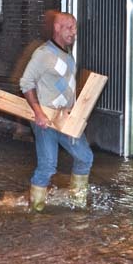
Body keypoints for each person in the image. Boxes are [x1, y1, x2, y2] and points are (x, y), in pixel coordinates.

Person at [20, 12, 93, 212]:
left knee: (85, 157)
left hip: (66, 119)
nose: (74, 32)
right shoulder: (43, 54)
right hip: (45, 119)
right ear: (57, 28)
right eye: (69, 27)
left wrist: (75, 111)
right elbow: (26, 82)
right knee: (48, 166)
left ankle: (77, 202)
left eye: (75, 27)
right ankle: (36, 208)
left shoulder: (68, 56)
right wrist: (38, 113)